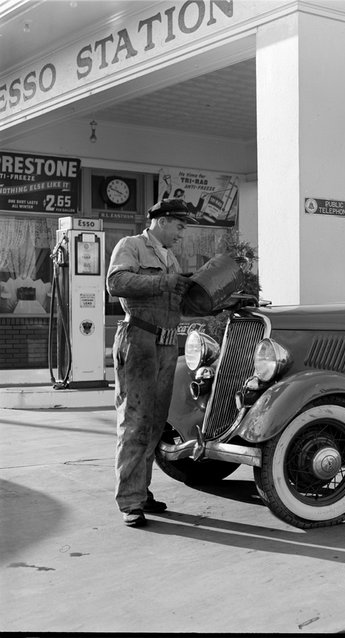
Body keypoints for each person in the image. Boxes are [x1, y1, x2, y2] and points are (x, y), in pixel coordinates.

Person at [107, 198, 196, 526]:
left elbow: (175, 304)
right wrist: (163, 281)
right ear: (162, 220)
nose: (182, 233)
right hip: (139, 341)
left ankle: (141, 492)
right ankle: (130, 500)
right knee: (135, 421)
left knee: (156, 423)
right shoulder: (131, 246)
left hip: (166, 344)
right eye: (179, 225)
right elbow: (115, 283)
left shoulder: (169, 257)